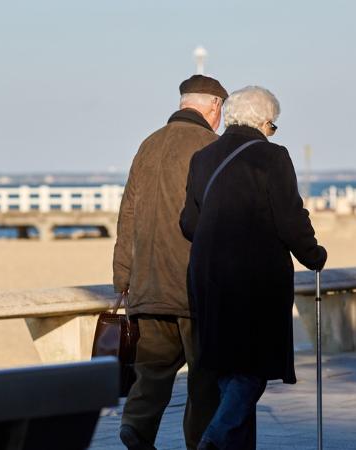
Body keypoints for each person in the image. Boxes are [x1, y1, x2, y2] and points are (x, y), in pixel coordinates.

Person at [179, 86, 328, 450]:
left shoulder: (203, 157)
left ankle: (231, 443)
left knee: (228, 366)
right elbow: (290, 218)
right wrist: (313, 255)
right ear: (263, 121)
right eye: (273, 126)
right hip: (255, 281)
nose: (273, 132)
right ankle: (215, 436)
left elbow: (189, 223)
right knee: (252, 370)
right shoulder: (271, 157)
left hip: (209, 277)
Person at [113, 74, 227, 450]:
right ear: (213, 106)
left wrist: (123, 279)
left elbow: (127, 213)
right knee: (204, 376)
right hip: (194, 288)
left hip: (148, 285)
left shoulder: (148, 145)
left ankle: (136, 427)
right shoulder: (211, 146)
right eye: (220, 109)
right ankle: (200, 442)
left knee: (153, 371)